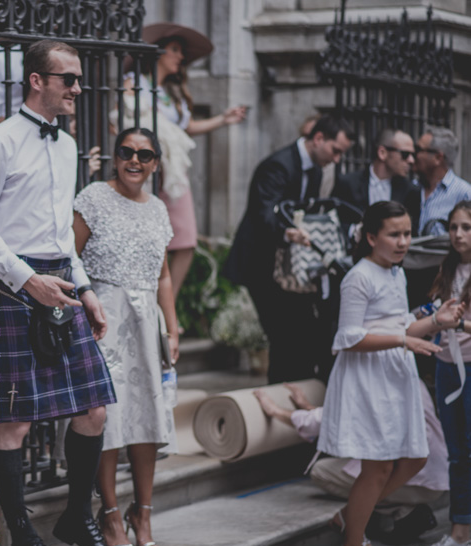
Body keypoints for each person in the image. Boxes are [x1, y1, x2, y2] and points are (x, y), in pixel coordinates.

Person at [0, 39, 125, 546]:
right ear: (37, 80)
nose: (78, 88)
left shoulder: (65, 143)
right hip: (13, 288)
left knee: (94, 409)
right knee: (13, 423)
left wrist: (85, 287)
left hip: (60, 279)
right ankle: (23, 541)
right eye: (69, 79)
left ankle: (78, 517)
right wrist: (27, 279)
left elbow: (60, 232)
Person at [316, 201, 463, 546]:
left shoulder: (396, 274)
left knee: (415, 457)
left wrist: (435, 320)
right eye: (393, 234)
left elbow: (401, 325)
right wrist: (403, 339)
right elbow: (348, 338)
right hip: (367, 380)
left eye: (407, 234)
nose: (402, 242)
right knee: (378, 466)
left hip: (395, 374)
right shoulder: (358, 277)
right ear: (370, 237)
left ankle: (351, 517)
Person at [72, 127, 180, 546]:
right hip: (104, 319)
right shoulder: (94, 197)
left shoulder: (158, 209)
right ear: (116, 157)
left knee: (147, 419)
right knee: (110, 417)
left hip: (146, 322)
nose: (135, 160)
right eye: (127, 152)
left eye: (145, 154)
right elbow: (70, 259)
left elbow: (165, 275)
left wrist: (172, 329)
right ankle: (111, 513)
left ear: (156, 163)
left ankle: (144, 511)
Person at [223, 115, 355, 384]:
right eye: (336, 150)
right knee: (283, 336)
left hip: (292, 268)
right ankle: (282, 398)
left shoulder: (316, 170)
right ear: (319, 139)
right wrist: (287, 233)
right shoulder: (277, 166)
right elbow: (263, 214)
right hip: (262, 264)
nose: (337, 159)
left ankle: (299, 399)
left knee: (302, 333)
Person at [122, 23, 247, 299]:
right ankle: (148, 297)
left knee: (186, 239)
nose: (180, 57)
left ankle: (168, 302)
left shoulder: (171, 93)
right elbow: (123, 119)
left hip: (175, 172)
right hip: (147, 171)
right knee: (153, 238)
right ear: (158, 53)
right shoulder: (135, 82)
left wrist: (224, 119)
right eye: (175, 50)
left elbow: (186, 127)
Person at [254, 383, 447, 545]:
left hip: (418, 478)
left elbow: (334, 420)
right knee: (373, 467)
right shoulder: (406, 371)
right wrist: (307, 407)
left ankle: (406, 511)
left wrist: (275, 411)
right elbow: (352, 417)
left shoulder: (369, 377)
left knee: (322, 471)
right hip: (436, 472)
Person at [418, 200, 471, 546]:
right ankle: (459, 532)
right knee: (456, 454)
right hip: (447, 365)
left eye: (466, 227)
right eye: (453, 227)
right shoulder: (449, 266)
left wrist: (460, 324)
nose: (458, 234)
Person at [333, 129, 422, 234]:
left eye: (413, 155)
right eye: (405, 154)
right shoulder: (348, 183)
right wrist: (356, 231)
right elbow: (335, 222)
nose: (411, 160)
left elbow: (413, 230)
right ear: (382, 153)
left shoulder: (411, 191)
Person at [415, 127, 471, 236]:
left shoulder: (464, 193)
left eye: (419, 150)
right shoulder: (412, 187)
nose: (413, 155)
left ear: (437, 158)